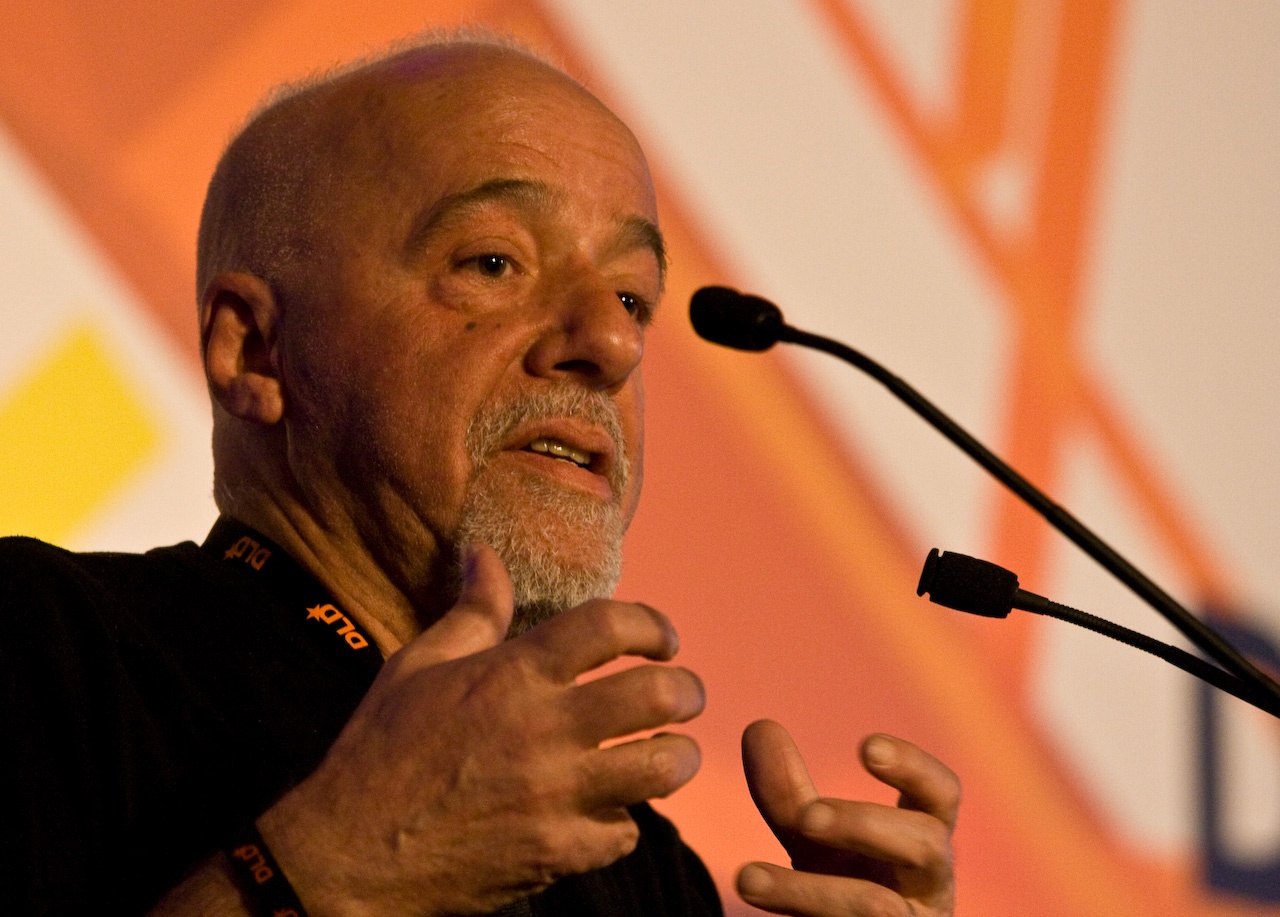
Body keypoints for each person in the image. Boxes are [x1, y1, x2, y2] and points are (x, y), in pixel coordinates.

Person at [0, 34, 959, 917]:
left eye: (632, 296)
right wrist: (337, 867)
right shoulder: (43, 649)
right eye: (495, 262)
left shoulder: (624, 855)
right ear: (254, 350)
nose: (613, 342)